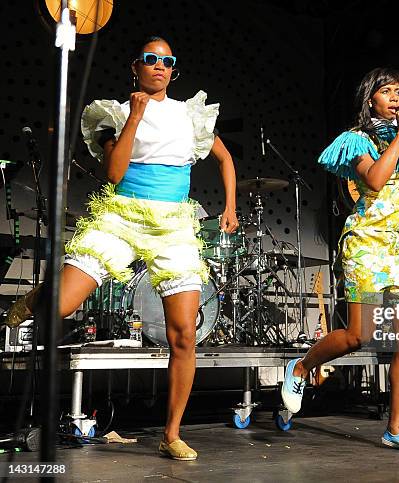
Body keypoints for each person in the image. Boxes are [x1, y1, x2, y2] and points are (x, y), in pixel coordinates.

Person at [4, 35, 239, 459]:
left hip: (172, 224)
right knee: (62, 305)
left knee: (184, 334)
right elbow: (114, 173)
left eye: (167, 62)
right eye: (151, 60)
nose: (159, 67)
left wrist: (231, 206)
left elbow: (224, 158)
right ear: (136, 66)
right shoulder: (114, 113)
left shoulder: (190, 115)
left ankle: (171, 434)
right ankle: (42, 294)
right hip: (121, 216)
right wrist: (136, 115)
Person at [282, 67, 399, 451]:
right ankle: (302, 366)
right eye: (386, 91)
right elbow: (374, 181)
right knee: (360, 335)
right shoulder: (357, 140)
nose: (395, 97)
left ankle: (395, 428)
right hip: (368, 242)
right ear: (370, 99)